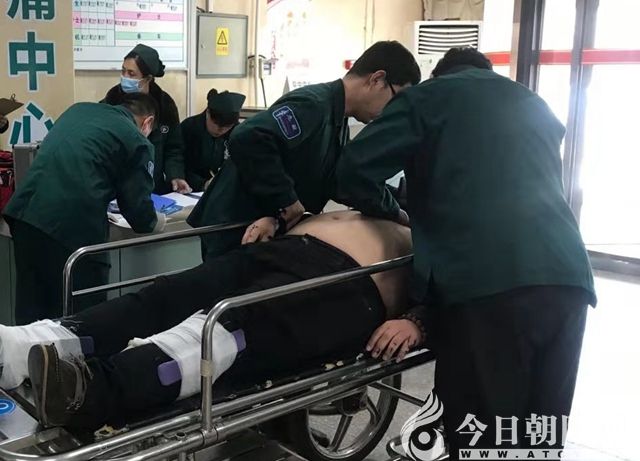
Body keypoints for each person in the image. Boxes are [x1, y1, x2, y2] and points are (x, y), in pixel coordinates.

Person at [335, 48, 597, 459]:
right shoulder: (532, 102)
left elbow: (352, 171)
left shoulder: (429, 97)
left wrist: (394, 212)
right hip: (568, 280)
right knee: (539, 429)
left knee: (482, 430)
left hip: (488, 286)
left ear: (438, 75)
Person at [0, 210, 419, 430]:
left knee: (225, 327)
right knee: (166, 295)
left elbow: (453, 291)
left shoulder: (438, 227)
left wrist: (416, 321)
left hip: (348, 285)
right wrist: (277, 218)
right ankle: (26, 346)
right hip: (285, 249)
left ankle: (89, 392)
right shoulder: (377, 194)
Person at [188, 41, 420, 259]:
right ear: (377, 80)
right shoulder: (314, 105)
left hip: (263, 226)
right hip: (236, 224)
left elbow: (339, 180)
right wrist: (286, 199)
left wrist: (396, 206)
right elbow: (247, 137)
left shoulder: (337, 119)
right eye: (395, 100)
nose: (391, 111)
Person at [2, 94, 166, 324]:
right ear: (147, 122)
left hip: (25, 215)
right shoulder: (136, 138)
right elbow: (138, 212)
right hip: (71, 229)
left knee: (33, 311)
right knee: (85, 316)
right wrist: (155, 221)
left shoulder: (78, 109)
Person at [102, 44, 190, 195]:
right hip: (118, 187)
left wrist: (175, 175)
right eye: (123, 71)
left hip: (154, 186)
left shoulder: (165, 105)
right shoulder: (111, 102)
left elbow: (173, 148)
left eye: (131, 73)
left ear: (148, 78)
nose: (125, 77)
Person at [181, 89, 246, 191]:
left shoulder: (237, 132)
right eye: (216, 124)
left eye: (227, 127)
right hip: (190, 188)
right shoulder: (189, 127)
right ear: (207, 113)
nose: (220, 130)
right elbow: (178, 164)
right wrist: (203, 184)